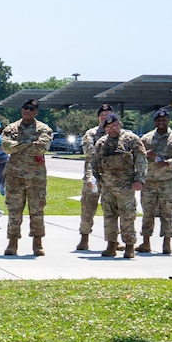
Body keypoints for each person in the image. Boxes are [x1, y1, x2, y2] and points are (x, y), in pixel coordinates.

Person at [91, 114, 147, 258]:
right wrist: (96, 180)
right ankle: (111, 245)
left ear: (119, 124)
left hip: (126, 187)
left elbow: (141, 160)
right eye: (108, 127)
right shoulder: (101, 143)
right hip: (107, 187)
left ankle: (129, 246)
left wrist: (139, 179)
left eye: (114, 126)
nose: (112, 129)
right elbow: (95, 164)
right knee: (109, 217)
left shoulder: (131, 140)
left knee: (127, 217)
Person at [1, 99, 51, 256]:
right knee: (14, 210)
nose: (27, 111)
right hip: (15, 177)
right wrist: (29, 143)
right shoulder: (11, 128)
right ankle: (12, 242)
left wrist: (19, 145)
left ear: (36, 112)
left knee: (37, 210)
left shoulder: (44, 129)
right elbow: (6, 147)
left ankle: (37, 243)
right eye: (25, 108)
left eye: (31, 109)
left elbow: (41, 147)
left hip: (36, 178)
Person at [139, 106, 172, 254]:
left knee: (167, 213)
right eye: (158, 120)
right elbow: (136, 157)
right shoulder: (146, 138)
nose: (161, 122)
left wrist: (169, 162)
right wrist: (145, 155)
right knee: (147, 213)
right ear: (155, 121)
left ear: (168, 120)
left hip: (167, 182)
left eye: (164, 120)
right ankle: (146, 242)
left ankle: (167, 243)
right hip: (149, 181)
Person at [78, 103, 114, 251]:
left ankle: (113, 240)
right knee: (88, 208)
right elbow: (90, 152)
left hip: (113, 178)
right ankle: (84, 238)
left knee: (112, 210)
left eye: (108, 115)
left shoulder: (120, 134)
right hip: (93, 176)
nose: (105, 118)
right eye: (102, 116)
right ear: (98, 117)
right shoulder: (91, 134)